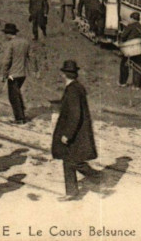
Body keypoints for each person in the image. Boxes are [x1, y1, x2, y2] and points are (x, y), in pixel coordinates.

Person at [52, 60, 99, 200]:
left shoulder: (72, 90)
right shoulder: (77, 87)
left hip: (75, 133)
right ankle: (71, 192)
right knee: (68, 160)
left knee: (75, 161)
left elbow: (75, 114)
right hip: (78, 131)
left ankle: (98, 177)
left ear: (63, 75)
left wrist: (68, 134)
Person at [0, 23, 34, 124]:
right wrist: (35, 70)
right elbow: (31, 57)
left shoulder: (10, 44)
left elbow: (6, 61)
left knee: (13, 96)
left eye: (5, 33)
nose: (5, 36)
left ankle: (20, 118)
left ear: (8, 34)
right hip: (22, 74)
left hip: (13, 75)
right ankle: (22, 112)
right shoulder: (25, 42)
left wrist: (4, 74)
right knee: (17, 93)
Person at [118, 12, 141, 89]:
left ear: (132, 18)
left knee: (124, 65)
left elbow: (123, 36)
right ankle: (137, 86)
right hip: (139, 50)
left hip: (130, 50)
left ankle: (122, 82)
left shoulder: (130, 26)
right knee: (139, 66)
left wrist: (120, 34)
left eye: (130, 18)